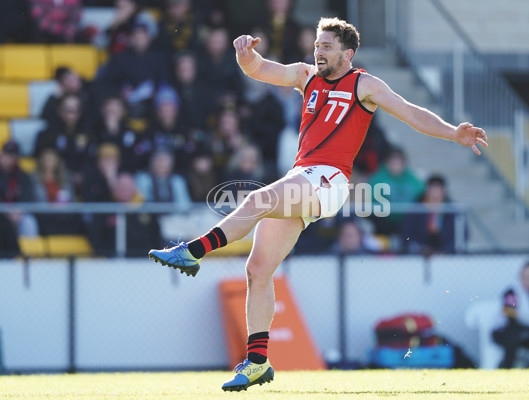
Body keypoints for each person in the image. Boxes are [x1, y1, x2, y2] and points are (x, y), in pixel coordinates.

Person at [149, 17, 487, 391]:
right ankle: (258, 362)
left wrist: (453, 132)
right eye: (317, 45)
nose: (318, 51)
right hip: (305, 178)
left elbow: (411, 113)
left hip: (329, 181)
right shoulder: (305, 75)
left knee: (259, 198)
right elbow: (259, 69)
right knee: (258, 269)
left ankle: (193, 251)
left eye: (326, 46)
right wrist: (245, 55)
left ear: (348, 52)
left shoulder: (364, 84)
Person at [400, 175, 465, 254]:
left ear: (444, 192)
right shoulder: (416, 210)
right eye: (432, 191)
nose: (435, 195)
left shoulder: (452, 210)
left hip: (447, 255)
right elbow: (406, 235)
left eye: (438, 191)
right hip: (419, 255)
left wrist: (446, 250)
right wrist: (418, 248)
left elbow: (462, 235)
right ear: (427, 191)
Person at [369, 146, 424, 235]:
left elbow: (421, 195)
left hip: (407, 221)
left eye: (398, 162)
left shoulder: (413, 179)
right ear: (387, 163)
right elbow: (372, 201)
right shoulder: (377, 179)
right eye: (393, 162)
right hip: (384, 221)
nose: (396, 165)